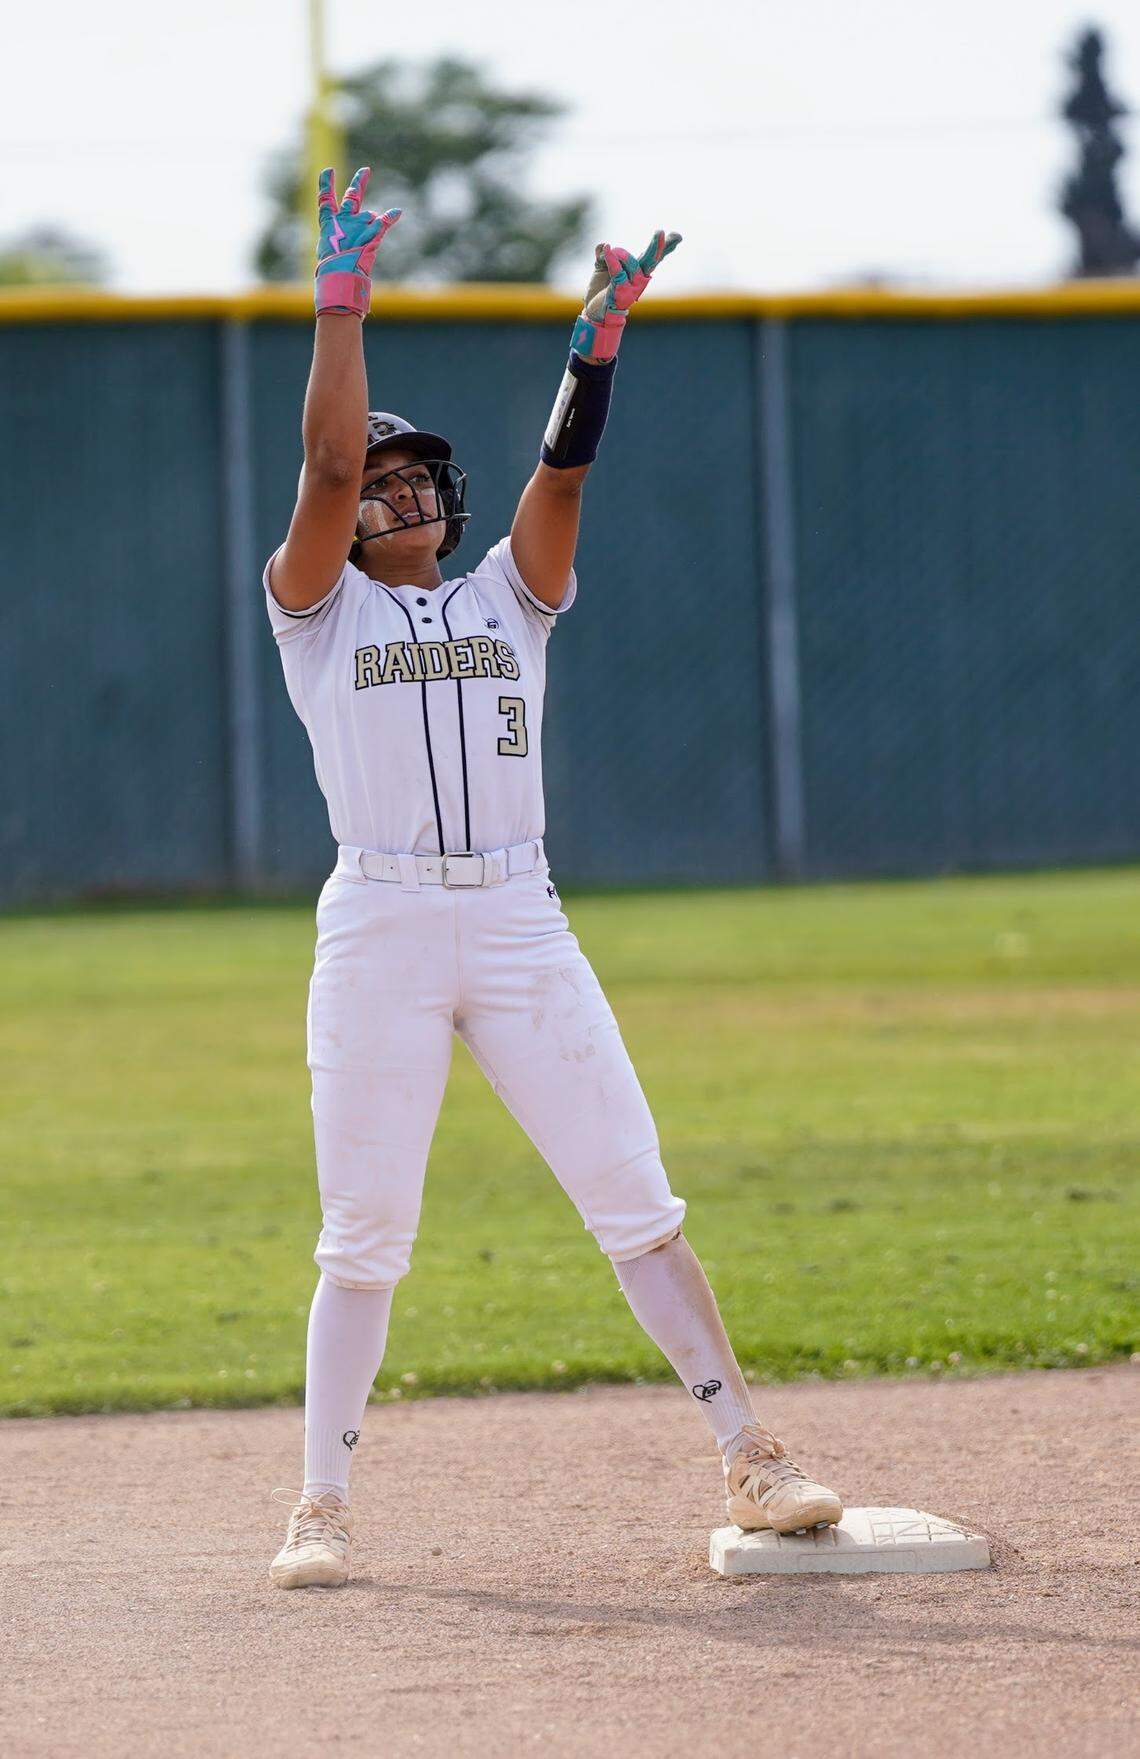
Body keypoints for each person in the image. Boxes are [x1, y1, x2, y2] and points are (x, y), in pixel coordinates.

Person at [267, 167, 843, 1589]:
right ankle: (321, 1506)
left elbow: (562, 476)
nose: (397, 489)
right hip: (385, 915)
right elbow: (327, 472)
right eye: (382, 479)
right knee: (366, 1238)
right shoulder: (317, 609)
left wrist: (594, 350)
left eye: (417, 478)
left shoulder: (505, 595)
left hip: (519, 915)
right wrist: (342, 302)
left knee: (633, 1197)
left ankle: (753, 1455)